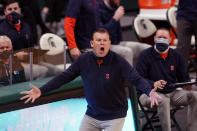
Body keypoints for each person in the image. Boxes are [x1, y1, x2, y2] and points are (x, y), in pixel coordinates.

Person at [20, 28, 161, 131]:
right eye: (99, 40)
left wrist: (149, 91)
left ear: (109, 43)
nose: (102, 43)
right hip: (92, 115)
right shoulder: (83, 60)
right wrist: (42, 90)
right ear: (92, 43)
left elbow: (135, 78)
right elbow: (64, 77)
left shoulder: (118, 61)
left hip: (114, 116)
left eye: (105, 40)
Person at [136, 28, 197, 131]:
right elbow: (138, 79)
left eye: (164, 38)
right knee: (162, 100)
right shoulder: (145, 55)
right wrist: (153, 84)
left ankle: (192, 129)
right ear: (154, 39)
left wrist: (188, 85)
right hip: (148, 94)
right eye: (159, 37)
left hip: (172, 93)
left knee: (195, 96)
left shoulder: (176, 55)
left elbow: (184, 78)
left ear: (169, 40)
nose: (162, 40)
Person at [98, 0, 150, 66]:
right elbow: (101, 34)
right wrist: (115, 18)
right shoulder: (97, 9)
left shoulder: (115, 7)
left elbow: (118, 36)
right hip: (103, 46)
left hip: (117, 43)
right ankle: (129, 76)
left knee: (146, 48)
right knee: (127, 52)